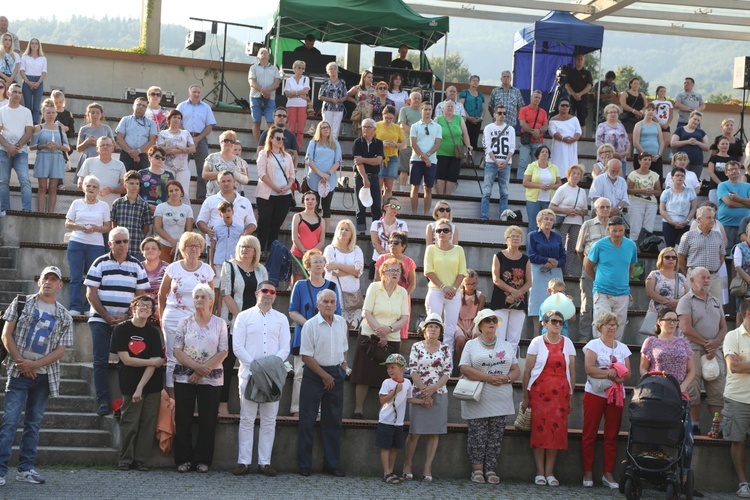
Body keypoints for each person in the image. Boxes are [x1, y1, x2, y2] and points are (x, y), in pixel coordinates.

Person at [0, 266, 73, 486]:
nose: (49, 282)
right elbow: (6, 334)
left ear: (60, 285)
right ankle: (1, 471)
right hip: (18, 373)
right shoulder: (22, 302)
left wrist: (34, 364)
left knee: (33, 423)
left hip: (44, 377)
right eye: (45, 278)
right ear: (39, 281)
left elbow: (61, 350)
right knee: (9, 421)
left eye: (54, 279)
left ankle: (26, 468)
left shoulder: (64, 315)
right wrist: (22, 363)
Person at [85, 227, 150, 415]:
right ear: (110, 244)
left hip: (126, 322)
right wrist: (106, 316)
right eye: (118, 241)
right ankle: (103, 401)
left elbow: (141, 297)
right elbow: (91, 294)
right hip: (100, 320)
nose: (122, 245)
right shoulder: (99, 262)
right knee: (100, 361)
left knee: (129, 361)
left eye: (125, 241)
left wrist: (128, 316)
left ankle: (127, 400)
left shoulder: (137, 266)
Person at [232, 280, 290, 477]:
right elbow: (237, 346)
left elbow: (285, 348)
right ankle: (244, 461)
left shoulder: (281, 319)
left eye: (272, 292)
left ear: (275, 295)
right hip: (249, 374)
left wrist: (267, 367)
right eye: (265, 291)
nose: (268, 294)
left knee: (269, 420)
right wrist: (256, 366)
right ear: (257, 293)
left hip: (272, 377)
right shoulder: (243, 316)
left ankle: (265, 463)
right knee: (247, 418)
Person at [172, 284, 228, 473]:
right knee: (183, 418)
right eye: (196, 296)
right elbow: (177, 350)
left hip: (211, 378)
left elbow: (224, 351)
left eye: (203, 297)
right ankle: (183, 459)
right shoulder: (184, 322)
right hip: (184, 377)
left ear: (211, 300)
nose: (199, 300)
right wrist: (196, 369)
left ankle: (203, 460)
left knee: (208, 419)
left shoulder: (219, 323)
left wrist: (202, 371)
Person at [640, 307, 697, 492]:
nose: (672, 323)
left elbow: (692, 371)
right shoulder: (650, 342)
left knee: (687, 437)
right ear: (659, 321)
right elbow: (643, 369)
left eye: (675, 320)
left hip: (679, 395)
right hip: (657, 396)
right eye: (668, 319)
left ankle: (684, 476)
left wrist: (681, 387)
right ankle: (655, 474)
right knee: (655, 434)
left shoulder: (683, 343)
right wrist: (654, 383)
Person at [521, 310, 576, 487]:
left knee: (556, 432)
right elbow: (527, 371)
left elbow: (572, 371)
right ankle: (540, 472)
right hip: (539, 393)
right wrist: (525, 397)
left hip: (560, 394)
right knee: (539, 431)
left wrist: (571, 396)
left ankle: (550, 472)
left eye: (561, 322)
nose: (558, 324)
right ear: (544, 323)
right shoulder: (537, 342)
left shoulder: (567, 343)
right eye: (553, 321)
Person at [297, 289, 348, 477]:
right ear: (318, 304)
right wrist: (324, 376)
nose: (329, 305)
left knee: (333, 422)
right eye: (325, 301)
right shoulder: (310, 325)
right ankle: (304, 465)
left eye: (332, 302)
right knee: (307, 421)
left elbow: (344, 348)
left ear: (336, 304)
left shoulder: (341, 323)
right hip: (314, 374)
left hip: (335, 374)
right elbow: (306, 356)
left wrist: (342, 368)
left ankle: (331, 464)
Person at [111, 295, 165, 472]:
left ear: (151, 312)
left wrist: (141, 387)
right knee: (130, 422)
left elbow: (156, 362)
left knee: (148, 423)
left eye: (149, 307)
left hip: (151, 383)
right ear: (133, 307)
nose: (145, 308)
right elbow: (127, 360)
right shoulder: (121, 330)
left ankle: (141, 460)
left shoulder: (153, 333)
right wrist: (151, 362)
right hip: (129, 382)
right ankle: (125, 459)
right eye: (141, 305)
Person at [350, 258, 409, 417]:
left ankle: (385, 412)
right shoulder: (374, 287)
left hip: (392, 338)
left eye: (398, 270)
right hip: (370, 336)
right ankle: (358, 409)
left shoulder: (402, 292)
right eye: (391, 270)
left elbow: (404, 318)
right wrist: (379, 331)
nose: (395, 273)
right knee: (364, 374)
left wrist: (387, 330)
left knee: (390, 376)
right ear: (383, 272)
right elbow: (366, 312)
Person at [158, 232, 215, 395]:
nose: (193, 249)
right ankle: (171, 398)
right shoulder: (173, 268)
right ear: (183, 248)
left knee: (194, 356)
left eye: (197, 246)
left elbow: (212, 296)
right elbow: (162, 294)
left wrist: (207, 318)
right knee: (172, 358)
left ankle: (187, 394)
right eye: (190, 245)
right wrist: (162, 316)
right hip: (173, 317)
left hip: (197, 319)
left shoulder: (207, 270)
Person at [581, 312, 632, 489]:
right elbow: (589, 368)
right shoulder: (593, 345)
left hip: (616, 394)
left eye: (614, 325)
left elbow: (629, 373)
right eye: (608, 325)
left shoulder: (623, 348)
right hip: (595, 393)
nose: (611, 328)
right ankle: (587, 471)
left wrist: (619, 375)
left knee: (611, 435)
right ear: (600, 326)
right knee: (590, 433)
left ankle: (608, 473)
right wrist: (610, 374)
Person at [218, 234, 267, 418]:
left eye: (248, 247)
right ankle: (222, 405)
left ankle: (258, 403)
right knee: (227, 364)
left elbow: (265, 295)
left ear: (255, 251)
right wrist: (241, 318)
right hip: (234, 322)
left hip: (255, 323)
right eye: (241, 246)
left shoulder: (261, 270)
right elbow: (226, 294)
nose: (244, 250)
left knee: (257, 364)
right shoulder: (229, 267)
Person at [288, 250, 341, 416]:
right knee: (299, 375)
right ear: (308, 266)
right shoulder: (300, 286)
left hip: (326, 337)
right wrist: (310, 325)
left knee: (321, 374)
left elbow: (337, 313)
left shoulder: (332, 286)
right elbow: (292, 311)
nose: (319, 265)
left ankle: (318, 410)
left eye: (321, 262)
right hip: (303, 335)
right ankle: (297, 410)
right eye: (315, 262)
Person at [677, 267, 727, 434]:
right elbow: (686, 328)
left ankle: (717, 427)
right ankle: (694, 426)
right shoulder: (685, 300)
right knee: (693, 388)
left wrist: (716, 343)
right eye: (702, 278)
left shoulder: (715, 301)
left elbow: (723, 327)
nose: (706, 280)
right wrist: (708, 345)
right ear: (692, 280)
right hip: (693, 349)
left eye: (708, 278)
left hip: (714, 350)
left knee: (718, 389)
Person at [403, 314, 452, 483]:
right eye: (430, 326)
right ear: (424, 330)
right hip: (419, 392)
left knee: (434, 433)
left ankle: (427, 467)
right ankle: (407, 465)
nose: (433, 329)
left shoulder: (445, 348)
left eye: (436, 326)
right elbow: (413, 370)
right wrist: (425, 391)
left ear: (440, 331)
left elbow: (447, 373)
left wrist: (433, 389)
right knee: (414, 432)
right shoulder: (416, 347)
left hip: (439, 392)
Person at [585, 215, 638, 341]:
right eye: (614, 231)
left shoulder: (631, 245)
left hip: (622, 294)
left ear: (624, 229)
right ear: (608, 230)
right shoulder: (599, 245)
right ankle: (598, 355)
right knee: (601, 324)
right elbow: (588, 267)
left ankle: (615, 356)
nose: (618, 234)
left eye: (620, 230)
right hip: (602, 292)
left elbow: (631, 267)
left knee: (619, 326)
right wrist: (599, 280)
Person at [65, 175, 111, 315]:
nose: (91, 188)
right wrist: (80, 227)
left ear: (98, 190)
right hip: (77, 242)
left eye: (94, 186)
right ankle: (75, 307)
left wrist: (96, 229)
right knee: (75, 277)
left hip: (96, 245)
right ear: (83, 187)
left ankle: (88, 307)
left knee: (93, 279)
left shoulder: (104, 206)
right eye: (88, 186)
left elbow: (108, 227)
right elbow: (68, 223)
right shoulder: (76, 203)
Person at [424, 219, 467, 353]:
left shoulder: (459, 249)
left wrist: (453, 289)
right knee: (433, 326)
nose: (442, 233)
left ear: (451, 233)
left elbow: (462, 272)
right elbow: (428, 271)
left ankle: (447, 364)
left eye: (445, 230)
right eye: (438, 230)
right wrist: (444, 287)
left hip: (454, 293)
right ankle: (431, 358)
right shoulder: (430, 249)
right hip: (436, 291)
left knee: (450, 330)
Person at [377, 353, 419, 484]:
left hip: (398, 423)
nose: (389, 370)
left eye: (392, 367)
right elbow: (382, 400)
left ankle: (391, 471)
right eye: (388, 368)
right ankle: (386, 473)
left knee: (394, 448)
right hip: (386, 421)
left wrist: (421, 401)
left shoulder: (407, 383)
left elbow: (408, 398)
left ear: (402, 369)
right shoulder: (387, 383)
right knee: (386, 447)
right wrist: (394, 392)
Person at [722, 299, 750, 498]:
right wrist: (741, 365)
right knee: (737, 441)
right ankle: (743, 483)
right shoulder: (732, 336)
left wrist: (745, 364)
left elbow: (742, 366)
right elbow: (734, 367)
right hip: (738, 398)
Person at [576, 198, 611, 341]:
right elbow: (579, 250)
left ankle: (603, 339)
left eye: (607, 207)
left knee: (607, 306)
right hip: (590, 270)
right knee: (587, 305)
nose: (605, 209)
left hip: (609, 273)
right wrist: (587, 266)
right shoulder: (587, 225)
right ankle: (584, 338)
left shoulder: (615, 226)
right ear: (595, 210)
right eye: (601, 207)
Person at [255, 127, 295, 251]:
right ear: (271, 139)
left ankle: (271, 250)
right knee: (264, 220)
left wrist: (287, 187)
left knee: (276, 224)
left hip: (284, 195)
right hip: (267, 194)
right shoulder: (264, 154)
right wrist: (275, 187)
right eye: (278, 138)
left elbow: (292, 176)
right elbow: (262, 174)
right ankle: (261, 249)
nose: (281, 141)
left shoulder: (287, 156)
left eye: (283, 138)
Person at [527, 209, 566, 336]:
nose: (549, 222)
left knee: (556, 300)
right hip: (538, 270)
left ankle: (555, 329)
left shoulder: (558, 237)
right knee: (537, 300)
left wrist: (556, 262)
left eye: (551, 219)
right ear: (539, 221)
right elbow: (531, 255)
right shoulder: (532, 235)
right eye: (546, 219)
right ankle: (536, 332)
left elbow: (563, 256)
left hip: (555, 271)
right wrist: (546, 260)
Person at [491, 226, 531, 346]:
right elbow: (496, 279)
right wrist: (512, 291)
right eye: (512, 236)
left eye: (518, 236)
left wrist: (517, 294)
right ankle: (499, 363)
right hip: (501, 300)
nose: (515, 239)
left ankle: (510, 363)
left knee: (514, 339)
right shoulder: (498, 256)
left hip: (519, 301)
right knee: (499, 336)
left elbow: (529, 282)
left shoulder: (525, 259)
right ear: (506, 240)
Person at [374, 230, 416, 341]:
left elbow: (412, 283)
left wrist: (402, 296)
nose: (392, 245)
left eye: (396, 242)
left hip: (402, 299)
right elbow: (376, 280)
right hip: (384, 297)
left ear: (403, 246)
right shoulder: (382, 259)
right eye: (390, 242)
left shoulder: (409, 262)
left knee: (399, 333)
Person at [176, 85, 216, 200]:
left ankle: (201, 197)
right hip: (183, 138)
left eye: (199, 92)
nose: (197, 94)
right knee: (181, 167)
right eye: (194, 92)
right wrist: (188, 137)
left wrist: (197, 139)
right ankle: (179, 195)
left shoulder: (206, 107)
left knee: (203, 168)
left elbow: (210, 125)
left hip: (201, 138)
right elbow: (177, 122)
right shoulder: (181, 106)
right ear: (189, 93)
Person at [677, 206, 725, 302]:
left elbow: (722, 256)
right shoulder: (688, 236)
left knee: (716, 307)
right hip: (694, 277)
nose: (712, 220)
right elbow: (680, 257)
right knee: (693, 305)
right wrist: (690, 273)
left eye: (713, 218)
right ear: (699, 219)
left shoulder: (718, 235)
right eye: (709, 218)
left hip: (713, 278)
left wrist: (713, 270)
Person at [324, 219, 364, 328]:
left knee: (346, 327)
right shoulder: (330, 249)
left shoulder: (357, 250)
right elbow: (332, 271)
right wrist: (351, 271)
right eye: (341, 229)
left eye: (347, 230)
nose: (343, 231)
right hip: (335, 292)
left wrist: (337, 265)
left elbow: (358, 271)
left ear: (351, 234)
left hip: (351, 294)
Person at [30, 100, 69, 213]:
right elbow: (32, 146)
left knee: (53, 188)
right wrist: (44, 146)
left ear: (56, 114)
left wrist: (58, 146)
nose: (51, 115)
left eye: (53, 112)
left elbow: (67, 147)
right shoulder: (39, 128)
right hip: (43, 158)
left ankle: (50, 213)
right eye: (48, 113)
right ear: (44, 114)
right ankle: (41, 212)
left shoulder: (60, 129)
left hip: (57, 159)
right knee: (42, 187)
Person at [0, 83, 33, 215]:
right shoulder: (1, 111)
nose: (17, 95)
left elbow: (29, 132)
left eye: (19, 92)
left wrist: (16, 147)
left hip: (21, 152)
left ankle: (27, 211)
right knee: (2, 182)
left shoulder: (26, 112)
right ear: (8, 93)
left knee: (25, 180)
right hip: (3, 151)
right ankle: (4, 210)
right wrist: (8, 147)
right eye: (15, 92)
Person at [196, 170, 257, 239]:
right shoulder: (210, 200)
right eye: (223, 181)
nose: (226, 183)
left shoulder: (245, 202)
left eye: (229, 181)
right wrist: (207, 230)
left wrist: (245, 233)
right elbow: (200, 221)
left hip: (238, 243)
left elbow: (252, 223)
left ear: (234, 182)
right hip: (215, 242)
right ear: (218, 183)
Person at [550, 164, 588, 276]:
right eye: (573, 173)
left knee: (572, 248)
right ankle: (557, 270)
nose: (575, 176)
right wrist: (566, 211)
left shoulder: (581, 191)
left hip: (577, 222)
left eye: (578, 174)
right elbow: (551, 206)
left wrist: (579, 212)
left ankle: (568, 271)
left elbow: (585, 210)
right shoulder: (562, 189)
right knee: (559, 246)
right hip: (563, 221)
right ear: (568, 175)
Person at [481, 104, 516, 221]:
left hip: (506, 163)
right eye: (500, 113)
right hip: (491, 162)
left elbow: (512, 147)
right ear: (495, 114)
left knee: (505, 192)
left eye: (504, 113)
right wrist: (496, 161)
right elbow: (487, 146)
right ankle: (484, 216)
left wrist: (505, 161)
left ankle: (503, 217)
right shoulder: (488, 128)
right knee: (486, 191)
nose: (502, 116)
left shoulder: (510, 129)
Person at [306, 121, 342, 226]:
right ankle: (312, 229)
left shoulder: (335, 143)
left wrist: (328, 174)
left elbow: (338, 162)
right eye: (323, 128)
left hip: (329, 179)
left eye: (328, 127)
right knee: (313, 206)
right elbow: (309, 160)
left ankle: (325, 233)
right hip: (314, 177)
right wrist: (320, 173)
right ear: (319, 130)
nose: (326, 129)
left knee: (326, 207)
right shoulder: (313, 142)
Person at [110, 170, 153, 259]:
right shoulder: (117, 203)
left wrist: (139, 236)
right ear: (125, 185)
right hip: (119, 247)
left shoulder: (144, 205)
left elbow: (146, 227)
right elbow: (114, 224)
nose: (134, 186)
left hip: (136, 246)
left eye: (137, 184)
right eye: (131, 183)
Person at [409, 102, 442, 215]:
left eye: (429, 109)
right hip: (416, 160)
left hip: (432, 161)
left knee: (428, 188)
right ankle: (414, 213)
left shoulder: (438, 127)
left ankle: (426, 214)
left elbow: (437, 144)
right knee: (415, 187)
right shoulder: (415, 126)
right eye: (425, 109)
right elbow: (413, 143)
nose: (428, 111)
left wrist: (427, 156)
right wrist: (423, 158)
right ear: (421, 111)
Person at [77, 137, 126, 207]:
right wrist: (94, 190)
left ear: (113, 148)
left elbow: (125, 187)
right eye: (102, 145)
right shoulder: (89, 162)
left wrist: (111, 190)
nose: (105, 147)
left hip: (112, 207)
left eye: (108, 145)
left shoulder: (120, 165)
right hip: (91, 206)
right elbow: (80, 184)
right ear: (97, 149)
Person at [354, 118, 385, 232]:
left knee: (376, 206)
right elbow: (358, 163)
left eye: (368, 127)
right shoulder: (357, 142)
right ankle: (361, 231)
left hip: (375, 177)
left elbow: (378, 161)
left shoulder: (379, 143)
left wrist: (363, 159)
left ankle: (376, 231)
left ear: (374, 129)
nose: (366, 129)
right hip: (360, 177)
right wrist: (364, 178)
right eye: (364, 127)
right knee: (360, 206)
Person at [435, 101, 471, 196]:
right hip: (441, 152)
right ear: (443, 108)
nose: (450, 108)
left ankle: (448, 197)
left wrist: (468, 145)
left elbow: (465, 134)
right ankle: (440, 196)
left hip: (456, 153)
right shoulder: (437, 119)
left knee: (452, 176)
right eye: (448, 106)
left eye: (452, 106)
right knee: (440, 175)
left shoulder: (459, 119)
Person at [522, 145, 561, 233]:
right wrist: (540, 186)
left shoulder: (554, 167)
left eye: (546, 152)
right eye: (542, 152)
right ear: (538, 155)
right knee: (533, 225)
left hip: (549, 200)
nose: (544, 153)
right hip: (533, 200)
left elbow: (559, 184)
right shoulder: (531, 166)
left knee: (547, 226)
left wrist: (550, 187)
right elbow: (525, 182)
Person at [153, 180, 193, 263]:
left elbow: (188, 230)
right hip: (163, 245)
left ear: (181, 192)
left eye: (177, 190)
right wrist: (172, 241)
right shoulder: (160, 207)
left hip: (181, 247)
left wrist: (179, 244)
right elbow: (157, 228)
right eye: (171, 191)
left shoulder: (187, 209)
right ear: (168, 193)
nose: (174, 192)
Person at [291, 191, 326, 283]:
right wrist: (303, 250)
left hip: (314, 258)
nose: (310, 201)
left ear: (316, 202)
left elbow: (322, 241)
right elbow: (294, 237)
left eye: (313, 199)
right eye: (307, 199)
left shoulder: (321, 220)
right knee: (297, 283)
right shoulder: (297, 216)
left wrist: (311, 253)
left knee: (313, 283)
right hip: (298, 255)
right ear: (303, 202)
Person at [248, 47, 281, 147]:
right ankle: (259, 145)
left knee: (271, 122)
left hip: (270, 97)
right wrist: (263, 91)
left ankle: (271, 144)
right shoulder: (253, 68)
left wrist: (268, 91)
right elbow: (251, 82)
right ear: (258, 56)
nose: (263, 53)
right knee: (256, 121)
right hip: (255, 96)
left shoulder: (274, 68)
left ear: (269, 56)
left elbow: (277, 83)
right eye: (261, 52)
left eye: (265, 52)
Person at [203, 130, 249, 198]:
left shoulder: (240, 161)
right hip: (214, 197)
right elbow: (204, 175)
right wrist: (223, 173)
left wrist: (235, 174)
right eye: (226, 140)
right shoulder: (212, 157)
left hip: (233, 199)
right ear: (220, 142)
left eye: (232, 141)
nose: (229, 143)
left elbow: (246, 180)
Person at [115, 97, 157, 171]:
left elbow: (152, 141)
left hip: (143, 156)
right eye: (139, 104)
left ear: (146, 109)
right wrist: (130, 152)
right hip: (126, 155)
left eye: (144, 106)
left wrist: (138, 151)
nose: (141, 107)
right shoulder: (125, 120)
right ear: (133, 106)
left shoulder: (151, 123)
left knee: (143, 181)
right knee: (125, 180)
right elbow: (119, 138)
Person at [626, 152, 661, 241]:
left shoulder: (655, 175)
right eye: (645, 159)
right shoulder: (633, 174)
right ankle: (633, 248)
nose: (647, 162)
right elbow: (628, 190)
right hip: (636, 201)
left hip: (651, 203)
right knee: (635, 228)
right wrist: (642, 191)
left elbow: (659, 191)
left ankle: (645, 247)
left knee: (649, 228)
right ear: (639, 161)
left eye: (649, 160)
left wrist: (652, 192)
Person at [660, 166, 698, 247]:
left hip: (685, 224)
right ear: (672, 177)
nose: (680, 177)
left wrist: (686, 221)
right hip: (669, 223)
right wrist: (671, 221)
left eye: (682, 175)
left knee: (680, 248)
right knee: (671, 248)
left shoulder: (690, 191)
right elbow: (662, 210)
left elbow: (693, 208)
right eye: (677, 175)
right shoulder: (666, 192)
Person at [645, 247, 688, 318]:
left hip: (676, 313)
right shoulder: (654, 274)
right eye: (667, 257)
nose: (671, 259)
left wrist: (677, 303)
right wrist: (669, 303)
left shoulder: (681, 277)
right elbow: (650, 292)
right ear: (661, 259)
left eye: (674, 257)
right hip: (657, 313)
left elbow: (687, 295)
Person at [717, 160, 750, 249]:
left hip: (744, 225)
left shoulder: (748, 186)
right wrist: (746, 204)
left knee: (743, 251)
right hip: (726, 224)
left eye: (736, 169)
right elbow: (729, 203)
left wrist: (737, 198)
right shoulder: (722, 185)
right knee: (725, 251)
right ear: (726, 173)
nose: (734, 171)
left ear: (740, 170)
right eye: (731, 169)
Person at [376, 105, 405, 201]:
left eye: (391, 118)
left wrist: (396, 144)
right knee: (378, 186)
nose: (388, 120)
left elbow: (404, 144)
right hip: (379, 157)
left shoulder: (397, 128)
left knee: (389, 187)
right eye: (386, 117)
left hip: (392, 157)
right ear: (382, 115)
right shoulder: (377, 125)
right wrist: (380, 144)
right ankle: (378, 208)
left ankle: (386, 207)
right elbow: (370, 141)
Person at [517, 90, 549, 179]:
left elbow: (545, 126)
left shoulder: (543, 112)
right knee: (522, 162)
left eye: (539, 98)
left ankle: (534, 182)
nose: (537, 99)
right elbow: (522, 123)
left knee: (536, 164)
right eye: (535, 97)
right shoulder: (523, 109)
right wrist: (533, 132)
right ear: (531, 98)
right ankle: (519, 182)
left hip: (538, 141)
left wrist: (538, 131)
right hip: (525, 141)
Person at [76, 103, 115, 175]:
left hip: (103, 159)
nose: (95, 115)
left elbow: (113, 146)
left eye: (97, 113)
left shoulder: (106, 128)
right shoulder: (83, 129)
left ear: (101, 115)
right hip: (87, 158)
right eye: (92, 112)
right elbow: (78, 149)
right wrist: (87, 142)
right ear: (88, 114)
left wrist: (99, 142)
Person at [454, 270, 485, 361]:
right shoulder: (458, 295)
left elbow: (478, 315)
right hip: (459, 323)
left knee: (477, 337)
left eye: (474, 284)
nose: (471, 287)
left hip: (474, 322)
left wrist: (470, 328)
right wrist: (464, 329)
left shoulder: (481, 297)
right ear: (463, 283)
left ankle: (473, 362)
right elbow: (455, 316)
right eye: (468, 284)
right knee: (461, 339)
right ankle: (461, 364)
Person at [208, 201, 244, 277]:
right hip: (219, 262)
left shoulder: (240, 229)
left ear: (233, 212)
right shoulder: (216, 228)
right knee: (217, 286)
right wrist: (211, 264)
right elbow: (212, 247)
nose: (227, 213)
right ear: (220, 214)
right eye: (224, 212)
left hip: (234, 263)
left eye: (229, 211)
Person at [548, 97, 581, 178]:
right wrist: (563, 139)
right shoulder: (553, 120)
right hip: (559, 146)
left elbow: (578, 131)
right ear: (559, 107)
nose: (565, 107)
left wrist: (575, 139)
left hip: (571, 145)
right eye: (563, 105)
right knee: (559, 164)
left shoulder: (574, 119)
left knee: (571, 164)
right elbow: (552, 132)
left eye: (567, 105)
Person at [671, 111, 710, 179]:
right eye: (694, 119)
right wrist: (687, 142)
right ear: (689, 118)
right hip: (681, 162)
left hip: (696, 162)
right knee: (679, 179)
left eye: (698, 120)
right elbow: (673, 143)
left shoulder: (701, 132)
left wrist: (697, 142)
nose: (696, 122)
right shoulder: (680, 129)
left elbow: (707, 147)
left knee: (694, 180)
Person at [397, 91, 422, 190]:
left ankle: (418, 191)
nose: (416, 100)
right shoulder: (404, 110)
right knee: (404, 168)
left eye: (418, 98)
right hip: (406, 143)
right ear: (410, 100)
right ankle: (402, 190)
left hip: (420, 145)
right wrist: (414, 135)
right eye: (414, 98)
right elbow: (402, 125)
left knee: (419, 169)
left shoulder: (423, 111)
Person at [137, 146, 173, 214]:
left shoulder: (169, 175)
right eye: (157, 157)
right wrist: (146, 206)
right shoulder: (141, 173)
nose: (160, 159)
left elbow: (171, 196)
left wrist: (161, 208)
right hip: (143, 210)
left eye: (163, 158)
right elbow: (135, 193)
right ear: (149, 157)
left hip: (162, 211)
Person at [595, 104, 630, 174]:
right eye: (611, 112)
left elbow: (627, 141)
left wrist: (627, 152)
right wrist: (612, 153)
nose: (613, 114)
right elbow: (599, 143)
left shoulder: (621, 126)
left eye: (615, 112)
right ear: (606, 115)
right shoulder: (602, 126)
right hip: (606, 159)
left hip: (621, 159)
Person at [139, 237, 168, 319]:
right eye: (147, 249)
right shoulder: (138, 267)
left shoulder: (167, 268)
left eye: (154, 248)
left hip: (161, 305)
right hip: (141, 305)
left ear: (159, 252)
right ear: (142, 252)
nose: (150, 251)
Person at [632, 103, 664, 178]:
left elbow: (661, 142)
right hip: (642, 157)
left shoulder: (657, 125)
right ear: (644, 111)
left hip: (656, 158)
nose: (651, 112)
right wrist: (646, 155)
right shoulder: (639, 124)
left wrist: (658, 155)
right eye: (648, 110)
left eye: (653, 110)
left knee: (657, 179)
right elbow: (635, 143)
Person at [564, 53, 593, 135]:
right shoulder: (570, 72)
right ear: (575, 60)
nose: (579, 61)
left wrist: (580, 94)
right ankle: (569, 134)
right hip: (571, 98)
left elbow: (589, 86)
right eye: (578, 59)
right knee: (569, 117)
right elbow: (567, 85)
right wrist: (573, 94)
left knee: (582, 119)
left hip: (582, 99)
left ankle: (582, 138)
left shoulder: (587, 73)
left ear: (584, 61)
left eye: (581, 59)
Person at [19, 39, 46, 126]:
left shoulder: (43, 58)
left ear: (39, 46)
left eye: (36, 43)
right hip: (27, 80)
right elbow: (22, 70)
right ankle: (27, 123)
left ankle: (34, 124)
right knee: (28, 105)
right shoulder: (24, 57)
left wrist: (38, 82)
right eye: (32, 43)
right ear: (29, 45)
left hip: (39, 80)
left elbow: (44, 72)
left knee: (36, 106)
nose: (34, 45)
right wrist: (27, 81)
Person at [318, 62, 348, 140]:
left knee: (335, 131)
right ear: (327, 72)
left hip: (339, 109)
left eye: (335, 69)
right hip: (328, 108)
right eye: (331, 69)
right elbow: (320, 96)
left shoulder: (342, 82)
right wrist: (331, 99)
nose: (333, 70)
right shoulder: (325, 82)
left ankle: (334, 148)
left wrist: (339, 100)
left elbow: (345, 96)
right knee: (326, 128)